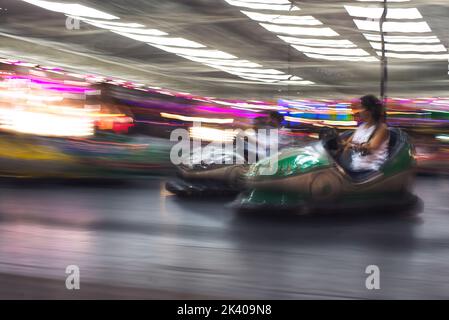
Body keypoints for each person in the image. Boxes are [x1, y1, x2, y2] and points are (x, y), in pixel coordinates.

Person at [342, 95, 389, 171]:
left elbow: (371, 147)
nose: (359, 111)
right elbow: (347, 143)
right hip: (356, 167)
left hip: (371, 170)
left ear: (369, 111)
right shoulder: (361, 127)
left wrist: (351, 146)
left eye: (361, 108)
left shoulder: (381, 128)